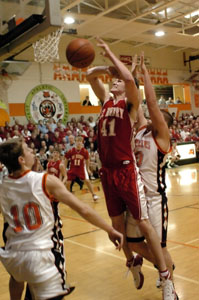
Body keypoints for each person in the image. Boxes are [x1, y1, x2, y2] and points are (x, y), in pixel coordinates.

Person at [86, 38, 177, 299]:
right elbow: (97, 77)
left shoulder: (154, 131)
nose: (114, 83)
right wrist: (107, 68)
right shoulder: (125, 118)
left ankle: (166, 276)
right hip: (111, 173)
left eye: (118, 82)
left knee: (155, 242)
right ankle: (135, 262)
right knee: (123, 233)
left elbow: (139, 94)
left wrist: (126, 69)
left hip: (144, 187)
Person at [0, 138, 123, 300]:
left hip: (13, 257)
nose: (32, 151)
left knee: (18, 279)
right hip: (41, 256)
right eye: (27, 149)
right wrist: (110, 229)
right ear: (21, 160)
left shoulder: (3, 186)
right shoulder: (45, 180)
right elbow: (84, 209)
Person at [125, 52, 178, 298]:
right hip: (136, 197)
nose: (152, 115)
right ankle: (163, 266)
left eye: (158, 117)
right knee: (133, 243)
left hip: (155, 199)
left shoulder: (162, 138)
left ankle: (171, 287)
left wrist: (145, 72)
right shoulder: (142, 131)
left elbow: (152, 104)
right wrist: (133, 75)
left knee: (162, 245)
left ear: (164, 124)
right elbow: (138, 105)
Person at [65, 136, 99, 201]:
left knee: (87, 181)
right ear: (75, 142)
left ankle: (93, 194)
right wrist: (65, 167)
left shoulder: (85, 151)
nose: (79, 143)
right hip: (72, 168)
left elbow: (87, 160)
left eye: (80, 141)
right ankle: (68, 196)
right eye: (77, 141)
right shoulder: (71, 151)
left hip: (81, 168)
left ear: (82, 142)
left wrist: (88, 168)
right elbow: (66, 159)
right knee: (68, 182)